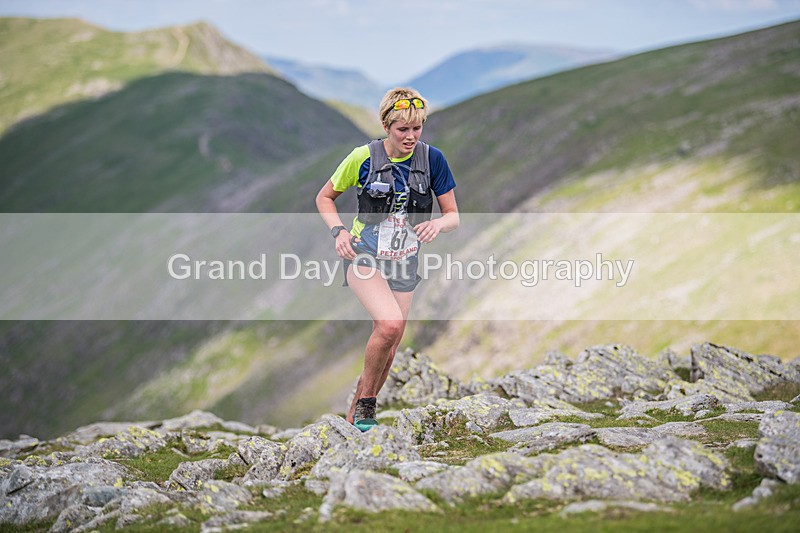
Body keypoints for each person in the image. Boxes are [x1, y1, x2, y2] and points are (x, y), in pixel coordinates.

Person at [315, 87, 459, 431]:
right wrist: (339, 232)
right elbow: (324, 198)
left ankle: (355, 416)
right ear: (385, 125)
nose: (411, 137)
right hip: (364, 255)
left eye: (417, 128)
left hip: (405, 261)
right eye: (402, 129)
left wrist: (438, 224)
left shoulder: (432, 159)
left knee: (391, 344)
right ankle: (367, 405)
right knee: (390, 324)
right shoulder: (362, 157)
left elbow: (453, 214)